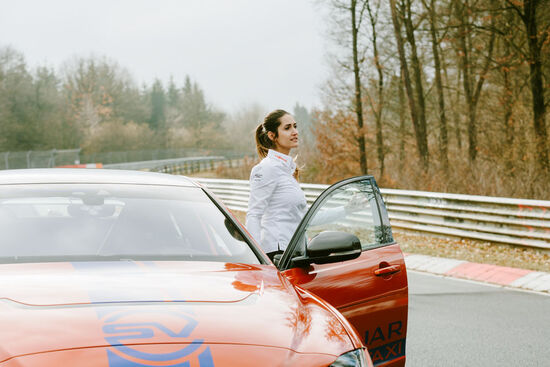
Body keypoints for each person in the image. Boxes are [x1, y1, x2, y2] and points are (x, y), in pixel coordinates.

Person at [245, 109, 306, 261]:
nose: (294, 132)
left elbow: (304, 216)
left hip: (294, 253)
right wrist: (258, 259)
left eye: (295, 126)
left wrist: (347, 209)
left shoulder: (287, 170)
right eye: (287, 128)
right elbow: (254, 214)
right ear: (272, 136)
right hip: (277, 254)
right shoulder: (267, 168)